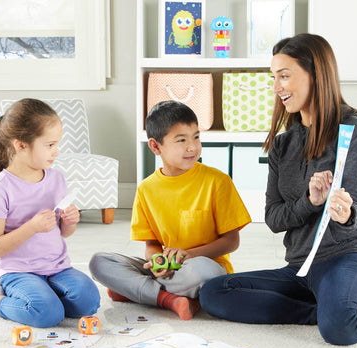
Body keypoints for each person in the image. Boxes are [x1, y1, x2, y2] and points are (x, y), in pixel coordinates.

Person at [199, 33, 357, 346]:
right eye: (274, 77)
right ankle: (319, 311)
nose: (276, 88)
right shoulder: (283, 145)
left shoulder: (353, 131)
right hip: (301, 268)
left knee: (340, 329)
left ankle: (333, 312)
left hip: (349, 258)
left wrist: (344, 213)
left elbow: (356, 211)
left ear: (316, 75)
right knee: (214, 292)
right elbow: (273, 219)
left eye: (284, 76)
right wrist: (311, 201)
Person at [89, 101, 251, 320]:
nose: (192, 147)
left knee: (204, 273)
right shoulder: (146, 189)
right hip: (167, 271)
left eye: (196, 137)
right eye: (181, 140)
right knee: (99, 262)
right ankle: (169, 298)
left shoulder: (217, 181)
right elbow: (152, 245)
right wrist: (157, 261)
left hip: (204, 267)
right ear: (156, 146)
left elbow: (231, 241)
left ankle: (139, 291)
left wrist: (190, 254)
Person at [0, 98, 100, 328]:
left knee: (89, 302)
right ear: (21, 145)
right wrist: (31, 227)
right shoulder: (0, 189)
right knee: (47, 314)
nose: (57, 151)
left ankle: (45, 294)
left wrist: (70, 221)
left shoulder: (56, 179)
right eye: (50, 145)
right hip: (19, 271)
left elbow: (63, 233)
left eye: (57, 144)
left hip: (57, 268)